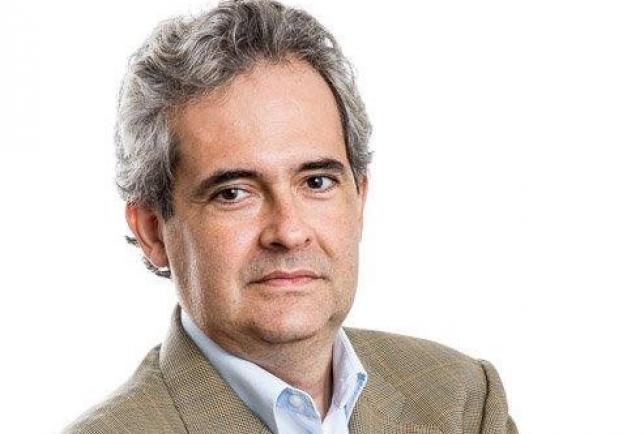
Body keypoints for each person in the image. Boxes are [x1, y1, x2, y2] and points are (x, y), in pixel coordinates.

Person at [62, 1, 518, 433]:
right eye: (233, 193)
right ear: (152, 231)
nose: (290, 231)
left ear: (359, 200)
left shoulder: (460, 399)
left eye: (316, 182)